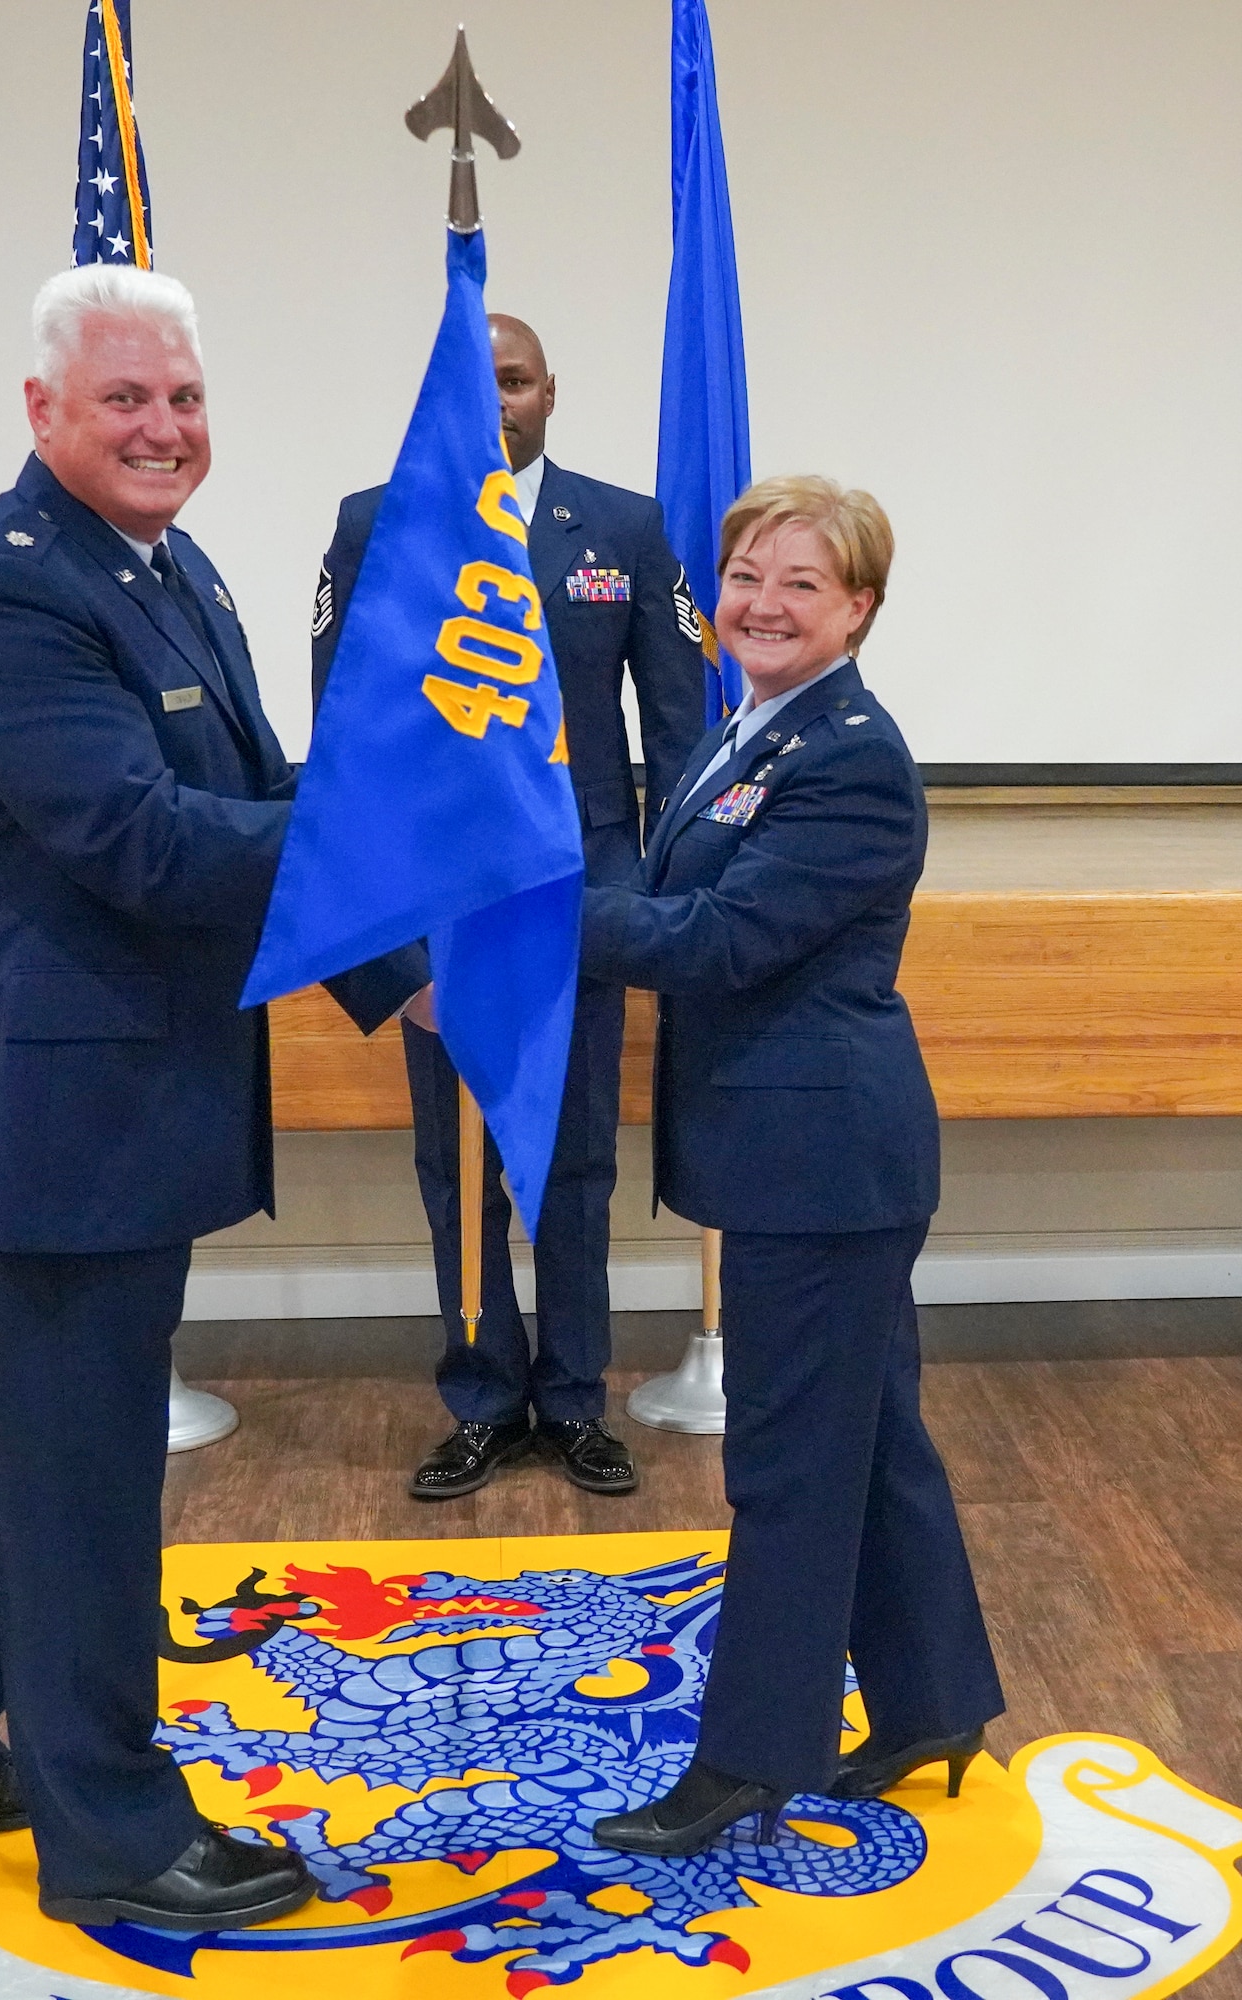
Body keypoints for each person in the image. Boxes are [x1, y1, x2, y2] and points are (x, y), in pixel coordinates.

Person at [0, 266, 423, 1931]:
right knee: (81, 1477)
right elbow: (149, 846)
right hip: (62, 1127)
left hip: (125, 1111)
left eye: (182, 400)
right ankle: (114, 1833)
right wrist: (403, 844)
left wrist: (400, 970)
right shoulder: (6, 601)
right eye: (124, 402)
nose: (163, 430)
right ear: (43, 414)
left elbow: (252, 793)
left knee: (16, 1448)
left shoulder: (172, 570)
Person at [579, 475, 1004, 1857]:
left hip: (824, 1165)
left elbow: (712, 942)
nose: (763, 604)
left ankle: (752, 1761)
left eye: (803, 584)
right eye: (748, 575)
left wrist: (523, 913)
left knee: (788, 1469)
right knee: (869, 1440)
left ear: (861, 610)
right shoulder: (740, 729)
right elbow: (667, 908)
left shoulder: (852, 756)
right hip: (800, 1152)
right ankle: (938, 1702)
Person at [313, 314, 705, 1502]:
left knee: (577, 1158)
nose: (496, 402)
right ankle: (482, 1398)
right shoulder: (376, 525)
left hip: (582, 898)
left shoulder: (623, 530)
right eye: (470, 384)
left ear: (550, 393)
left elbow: (677, 730)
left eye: (516, 379)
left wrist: (650, 901)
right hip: (445, 904)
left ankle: (574, 1395)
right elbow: (347, 743)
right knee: (460, 1164)